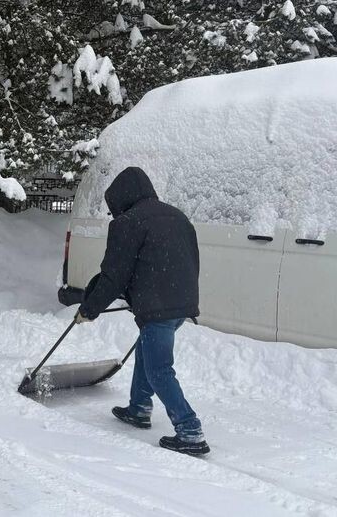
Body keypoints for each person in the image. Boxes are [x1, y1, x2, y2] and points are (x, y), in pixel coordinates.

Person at [75, 166, 209, 456]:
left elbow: (114, 275)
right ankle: (139, 407)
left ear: (121, 199)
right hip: (181, 303)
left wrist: (90, 309)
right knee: (147, 353)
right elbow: (188, 260)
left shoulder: (128, 223)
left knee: (159, 368)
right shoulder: (178, 216)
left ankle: (190, 430)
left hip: (159, 306)